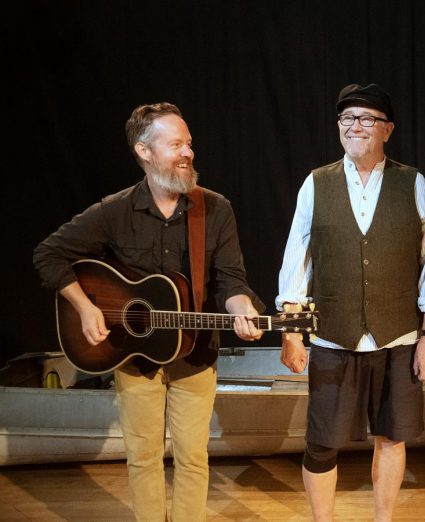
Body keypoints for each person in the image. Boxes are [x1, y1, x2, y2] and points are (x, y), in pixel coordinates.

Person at [33, 102, 265, 521]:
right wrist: (85, 308)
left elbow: (231, 281)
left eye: (189, 143)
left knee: (193, 459)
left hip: (194, 354)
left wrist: (243, 308)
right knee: (142, 458)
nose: (188, 152)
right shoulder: (114, 210)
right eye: (175, 144)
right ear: (144, 151)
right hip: (132, 354)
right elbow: (48, 255)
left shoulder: (215, 208)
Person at [277, 83, 425, 521]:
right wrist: (293, 335)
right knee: (321, 442)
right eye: (347, 118)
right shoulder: (317, 183)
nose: (355, 126)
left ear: (387, 129)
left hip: (398, 337)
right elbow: (296, 263)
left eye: (366, 118)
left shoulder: (413, 183)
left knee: (392, 436)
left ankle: (383, 518)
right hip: (334, 338)